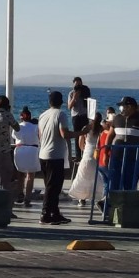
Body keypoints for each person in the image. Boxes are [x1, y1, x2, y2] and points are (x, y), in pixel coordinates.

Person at [38, 91, 90, 225]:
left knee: (51, 186)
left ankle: (54, 212)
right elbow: (64, 134)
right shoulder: (61, 114)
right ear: (61, 102)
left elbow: (40, 135)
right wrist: (82, 133)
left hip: (43, 154)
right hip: (55, 155)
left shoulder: (42, 115)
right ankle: (45, 214)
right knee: (53, 187)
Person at [105, 96, 139, 192]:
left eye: (123, 106)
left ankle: (127, 204)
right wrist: (105, 152)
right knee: (114, 182)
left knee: (130, 184)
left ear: (130, 107)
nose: (121, 109)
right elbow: (110, 135)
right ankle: (112, 203)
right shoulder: (117, 118)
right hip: (117, 157)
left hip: (134, 159)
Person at [67, 113, 104, 206]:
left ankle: (81, 199)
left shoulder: (86, 128)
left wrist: (84, 149)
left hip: (87, 155)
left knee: (82, 176)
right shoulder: (101, 129)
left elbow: (80, 144)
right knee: (96, 177)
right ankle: (95, 197)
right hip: (97, 155)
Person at [12, 106, 40, 207]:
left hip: (20, 150)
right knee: (30, 176)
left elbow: (14, 137)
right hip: (32, 150)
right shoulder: (36, 127)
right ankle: (27, 198)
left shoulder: (18, 127)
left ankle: (20, 195)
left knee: (20, 175)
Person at [67, 77, 90, 160]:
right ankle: (78, 156)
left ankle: (85, 154)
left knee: (85, 135)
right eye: (76, 84)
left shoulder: (86, 92)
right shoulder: (71, 93)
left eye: (79, 84)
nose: (78, 86)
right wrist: (74, 98)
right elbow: (69, 106)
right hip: (76, 116)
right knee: (77, 135)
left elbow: (89, 104)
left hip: (84, 115)